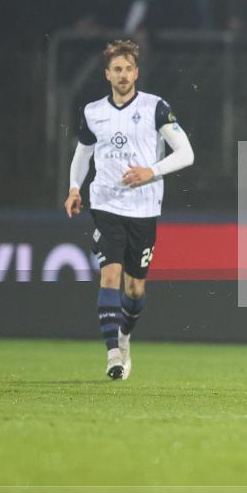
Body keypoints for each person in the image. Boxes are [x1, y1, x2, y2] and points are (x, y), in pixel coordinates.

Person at [63, 40, 194, 380]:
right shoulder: (93, 112)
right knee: (110, 274)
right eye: (116, 69)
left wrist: (153, 171)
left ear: (137, 72)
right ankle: (112, 358)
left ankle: (124, 337)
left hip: (145, 208)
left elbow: (186, 153)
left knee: (135, 289)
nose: (123, 75)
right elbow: (83, 154)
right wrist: (75, 188)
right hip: (105, 204)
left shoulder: (155, 108)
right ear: (107, 74)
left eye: (128, 69)